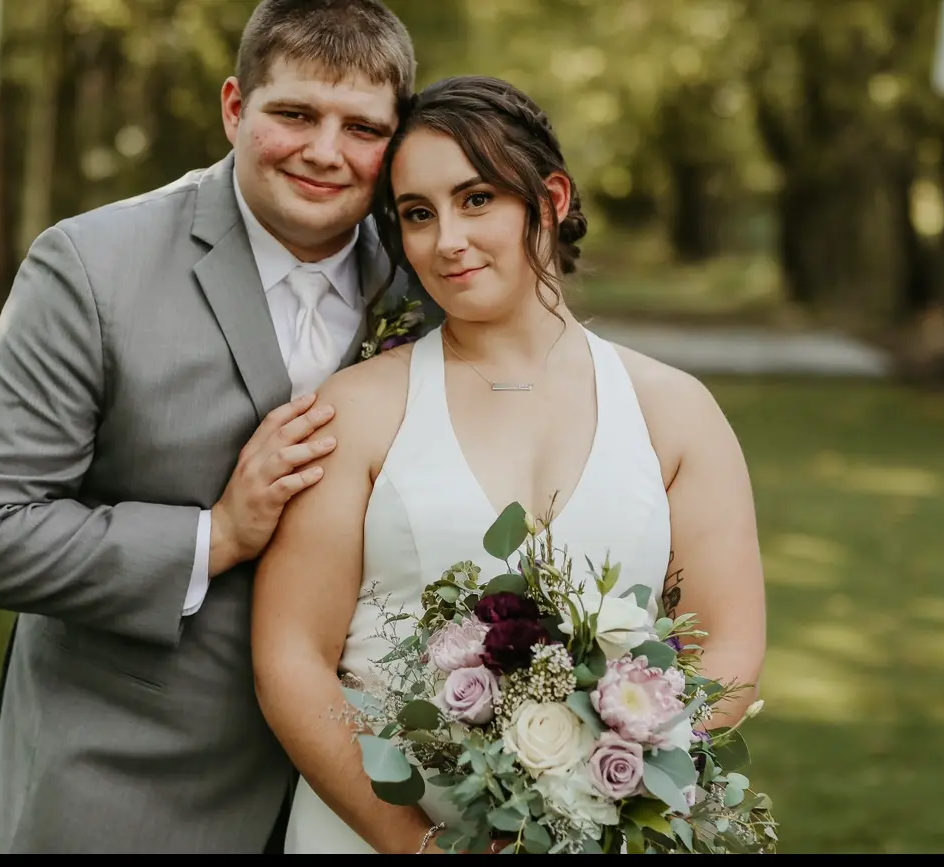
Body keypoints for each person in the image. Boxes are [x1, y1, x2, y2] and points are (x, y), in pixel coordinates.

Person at [0, 0, 440, 854]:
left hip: (359, 799)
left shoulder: (422, 283)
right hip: (128, 793)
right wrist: (218, 535)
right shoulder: (90, 267)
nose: (325, 151)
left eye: (362, 128)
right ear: (235, 107)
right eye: (295, 114)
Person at [251, 75, 768, 855]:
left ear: (550, 200)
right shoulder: (355, 411)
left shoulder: (676, 412)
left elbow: (727, 651)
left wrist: (604, 800)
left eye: (477, 199)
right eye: (418, 213)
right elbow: (291, 659)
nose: (447, 239)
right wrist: (421, 846)